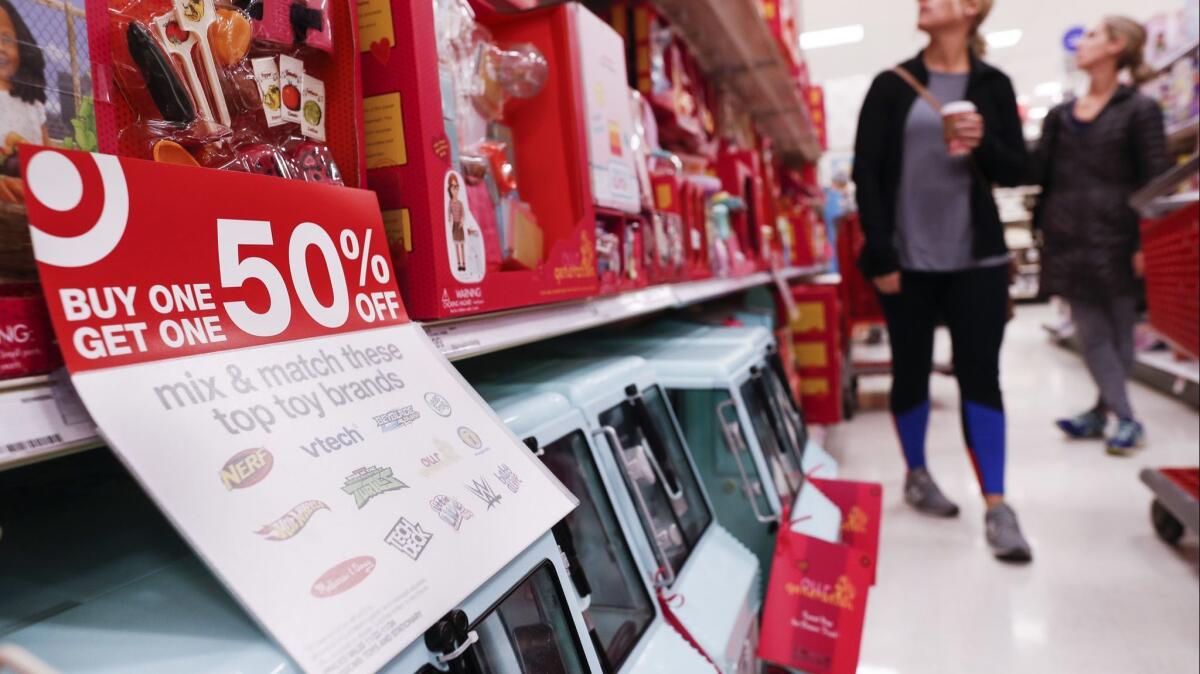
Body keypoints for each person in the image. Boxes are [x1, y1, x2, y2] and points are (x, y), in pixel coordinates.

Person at [853, 0, 1031, 562]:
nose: (923, 3)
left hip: (977, 260)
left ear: (974, 9)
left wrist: (986, 142)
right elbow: (866, 172)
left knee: (981, 374)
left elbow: (1018, 171)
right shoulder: (891, 85)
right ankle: (917, 473)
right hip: (907, 260)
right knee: (911, 368)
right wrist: (880, 253)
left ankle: (998, 505)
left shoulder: (993, 85)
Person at [1033, 17, 1167, 456]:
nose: (1082, 44)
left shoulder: (1139, 110)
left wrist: (1146, 241)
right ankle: (1124, 416)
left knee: (1121, 331)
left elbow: (1155, 180)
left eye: (1092, 36)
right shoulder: (1060, 114)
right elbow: (1039, 173)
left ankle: (1103, 411)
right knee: (1091, 330)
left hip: (1119, 235)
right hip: (1068, 235)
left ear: (1117, 46)